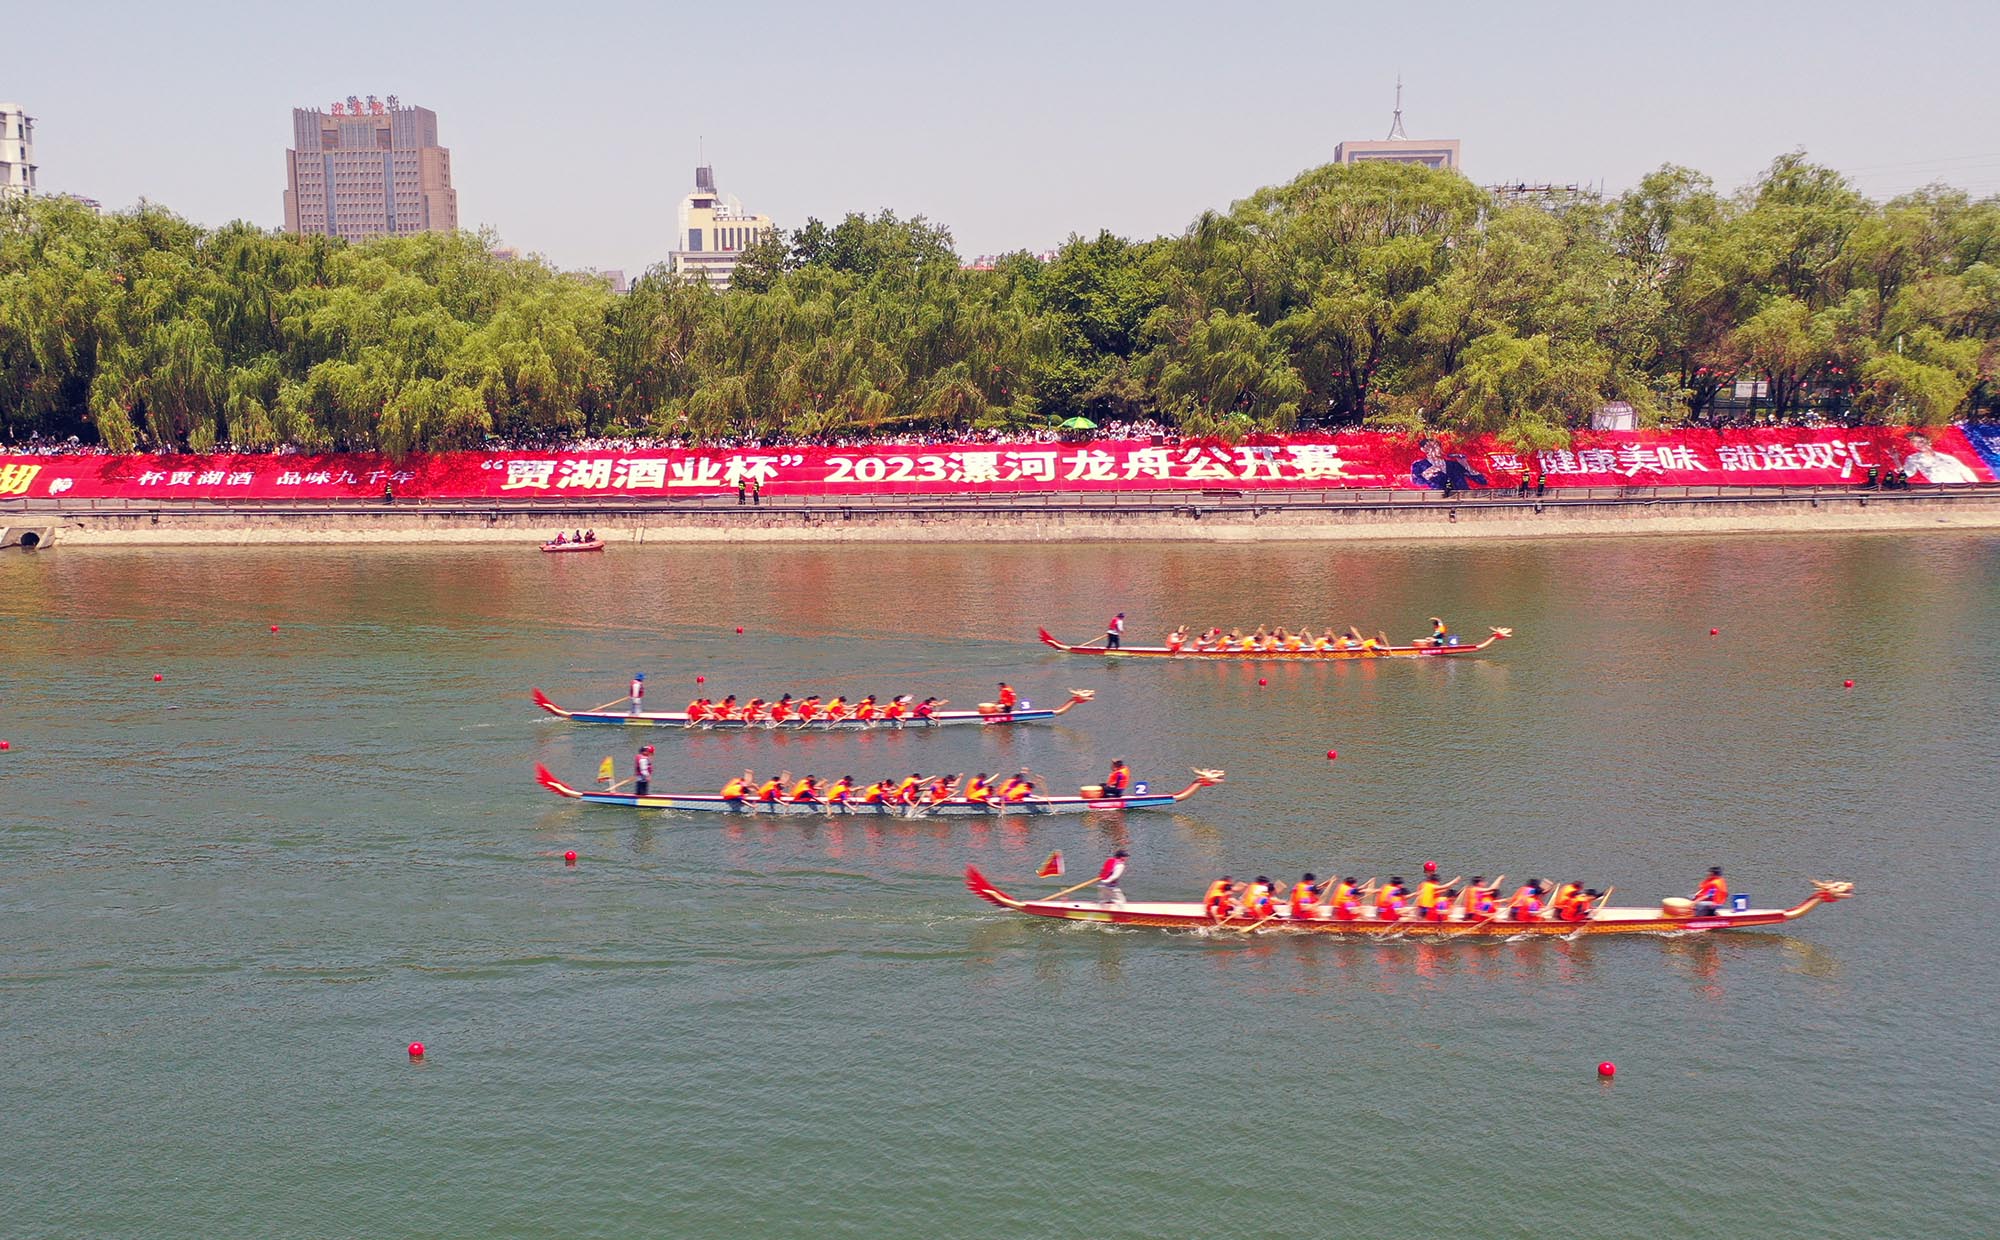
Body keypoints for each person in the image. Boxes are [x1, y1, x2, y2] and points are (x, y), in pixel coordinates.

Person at [1897, 432, 1979, 485]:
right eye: (1914, 442)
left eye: (1920, 441)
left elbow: (1964, 471)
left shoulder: (1947, 458)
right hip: (1941, 488)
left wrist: (1975, 486)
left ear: (1928, 441)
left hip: (1959, 486)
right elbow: (1907, 473)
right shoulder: (1913, 458)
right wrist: (1895, 459)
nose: (1918, 444)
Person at [1411, 437, 1488, 491]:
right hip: (1439, 502)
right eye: (1430, 447)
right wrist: (1425, 475)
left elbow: (1482, 481)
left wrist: (1466, 465)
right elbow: (1416, 483)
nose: (1434, 449)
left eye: (1436, 446)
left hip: (1461, 500)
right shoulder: (1419, 465)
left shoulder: (1454, 465)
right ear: (1423, 449)